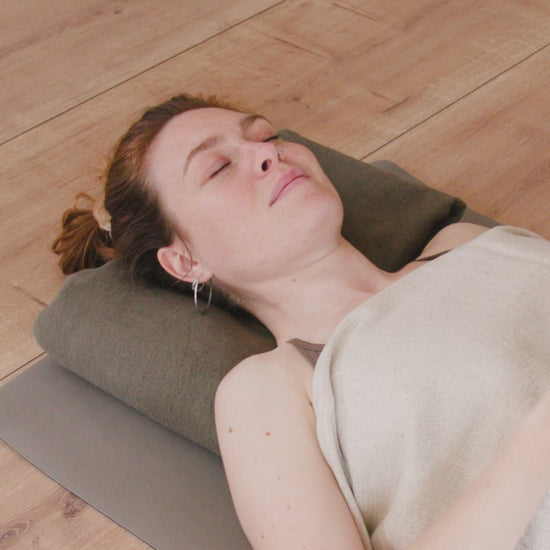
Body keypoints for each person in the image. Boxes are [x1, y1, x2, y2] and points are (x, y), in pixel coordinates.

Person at [53, 94, 550, 550]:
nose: (267, 153)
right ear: (185, 261)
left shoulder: (466, 242)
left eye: (267, 135)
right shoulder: (269, 390)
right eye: (219, 168)